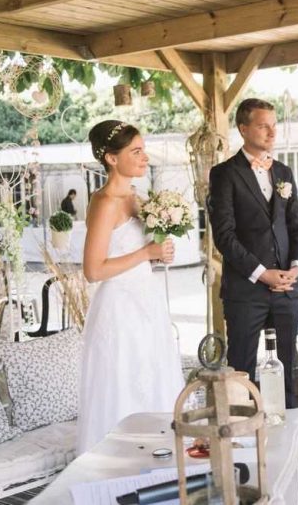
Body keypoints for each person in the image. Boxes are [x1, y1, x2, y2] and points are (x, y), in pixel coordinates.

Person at [208, 98, 298, 469]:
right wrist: (261, 273)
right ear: (243, 129)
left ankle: (289, 445)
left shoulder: (284, 172)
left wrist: (294, 267)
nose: (271, 132)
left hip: (286, 288)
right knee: (242, 369)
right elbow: (224, 236)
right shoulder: (224, 174)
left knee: (286, 367)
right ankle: (243, 447)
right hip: (246, 291)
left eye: (274, 125)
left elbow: (296, 227)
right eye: (262, 126)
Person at [77, 120, 184, 454]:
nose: (144, 157)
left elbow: (134, 253)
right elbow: (93, 270)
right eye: (135, 151)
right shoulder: (105, 201)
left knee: (154, 379)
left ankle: (157, 462)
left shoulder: (137, 197)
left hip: (147, 305)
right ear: (111, 158)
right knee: (123, 385)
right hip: (119, 311)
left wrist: (158, 253)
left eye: (143, 149)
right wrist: (145, 253)